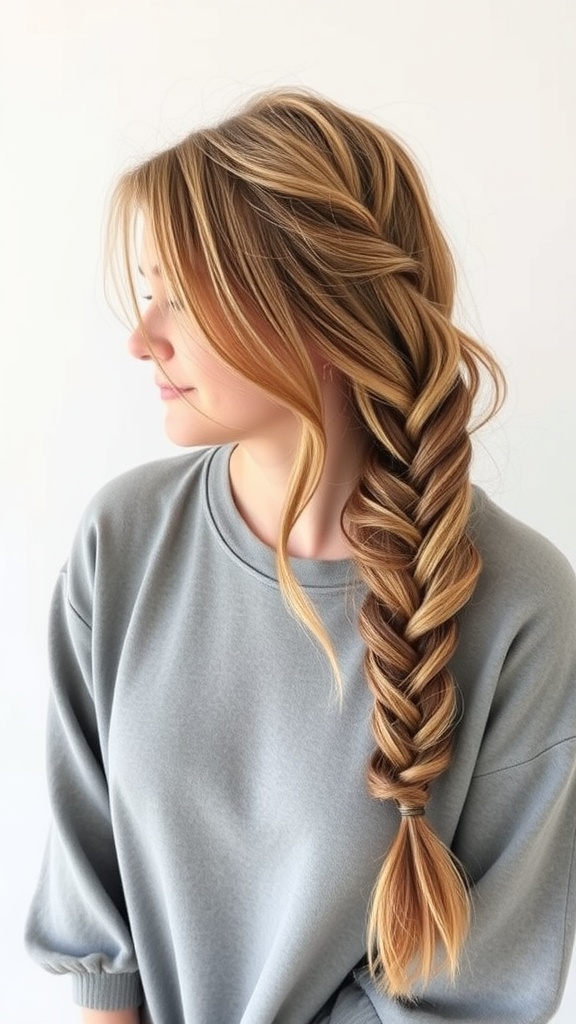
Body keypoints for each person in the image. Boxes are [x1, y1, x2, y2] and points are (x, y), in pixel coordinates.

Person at [25, 88, 576, 1024]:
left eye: (180, 295)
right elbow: (97, 936)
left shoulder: (524, 609)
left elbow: (471, 992)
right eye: (146, 291)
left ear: (317, 312)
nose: (141, 336)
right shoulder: (120, 543)